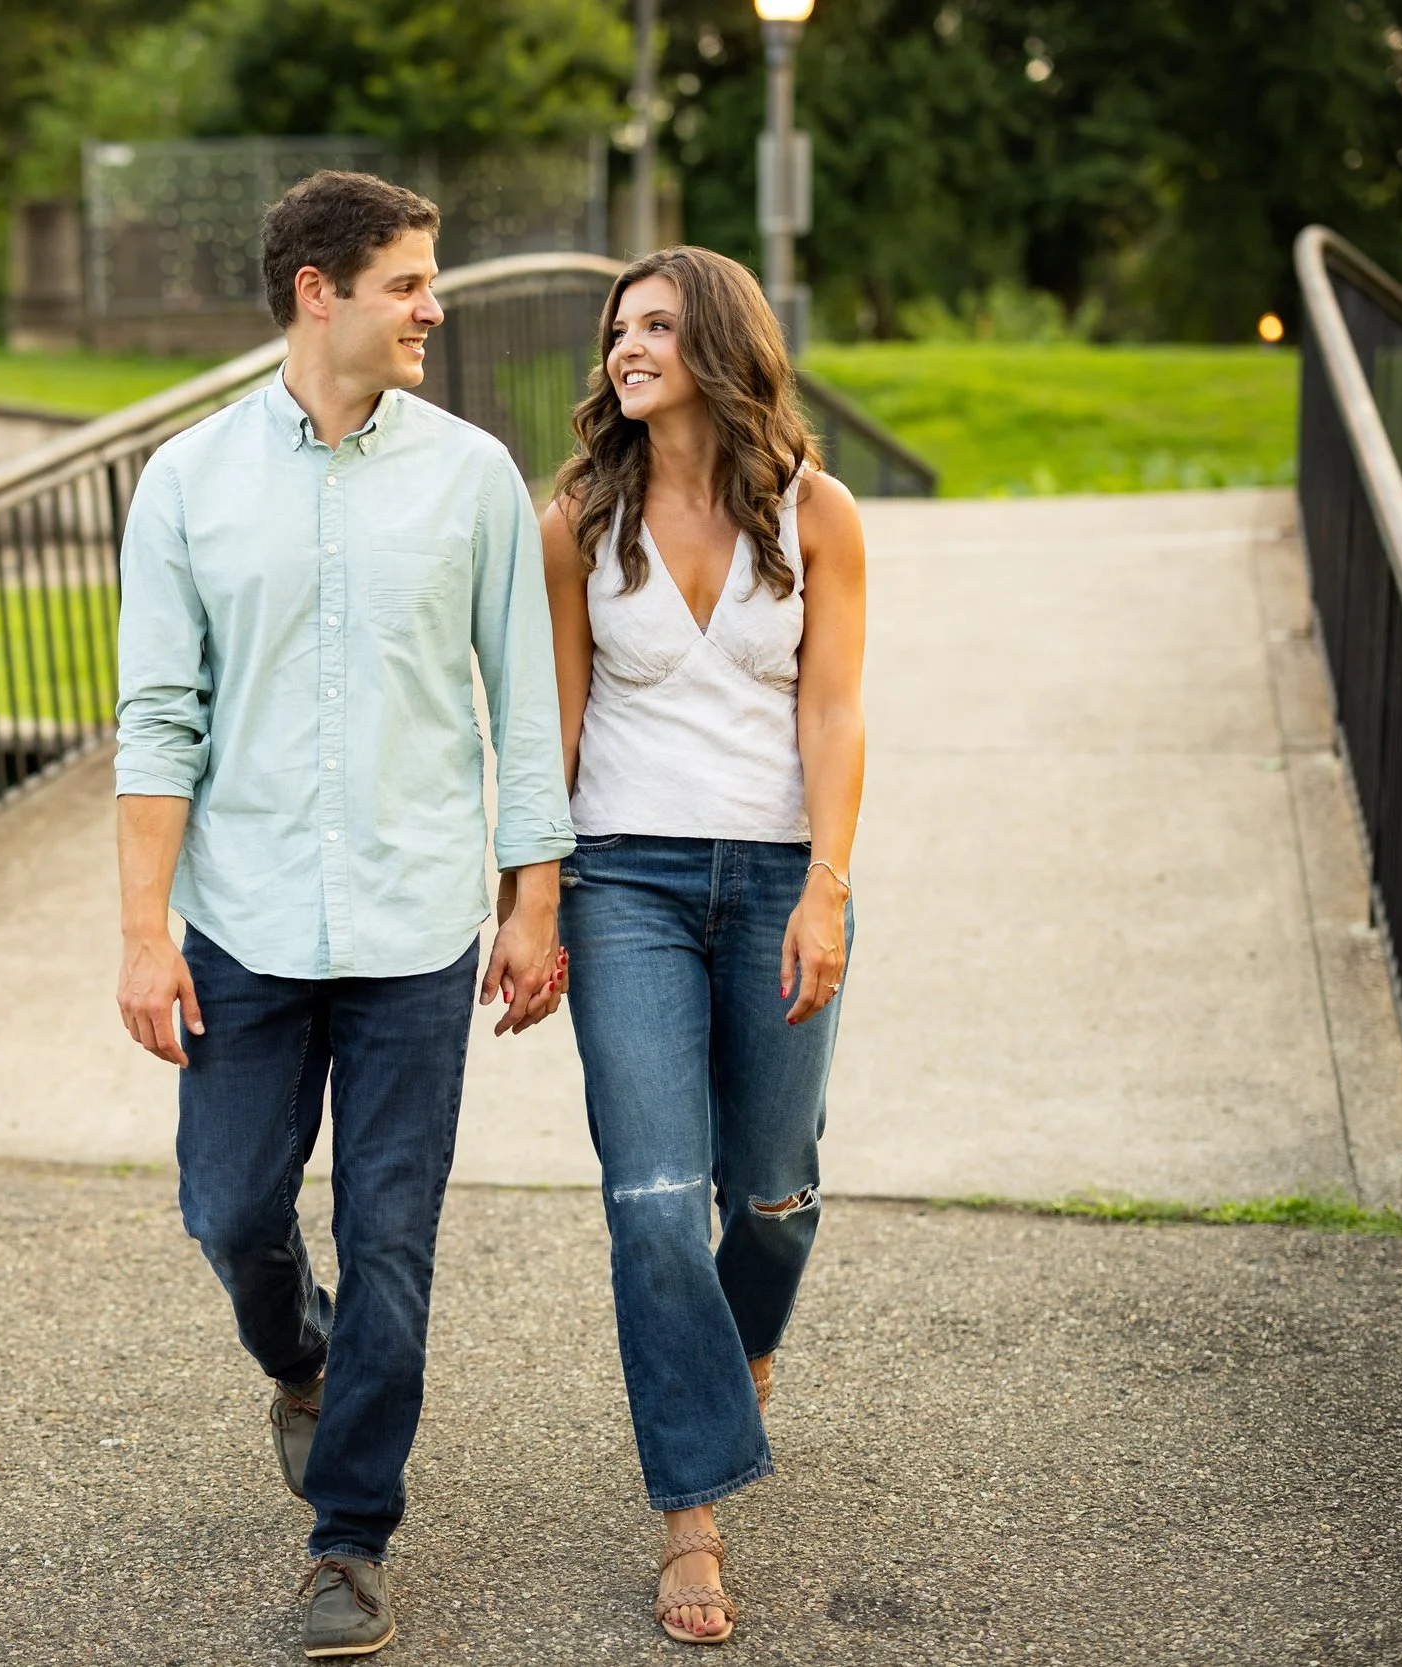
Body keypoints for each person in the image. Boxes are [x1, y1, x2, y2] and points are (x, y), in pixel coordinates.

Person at [112, 170, 574, 1659]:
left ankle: (350, 1538)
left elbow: (525, 707)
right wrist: (142, 929)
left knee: (392, 1239)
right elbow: (157, 719)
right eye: (409, 282)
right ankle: (298, 1358)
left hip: (414, 930)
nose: (436, 305)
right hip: (240, 925)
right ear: (321, 291)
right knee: (232, 1210)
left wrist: (531, 901)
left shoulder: (474, 477)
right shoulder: (185, 482)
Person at [539, 245, 867, 1647]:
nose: (629, 345)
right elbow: (552, 727)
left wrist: (830, 886)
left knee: (775, 1194)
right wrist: (533, 897)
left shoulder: (820, 513)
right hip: (626, 881)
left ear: (721, 342)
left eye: (660, 325)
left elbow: (836, 715)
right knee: (658, 1198)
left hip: (782, 873)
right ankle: (691, 1514)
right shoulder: (575, 520)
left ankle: (736, 1353)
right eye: (620, 326)